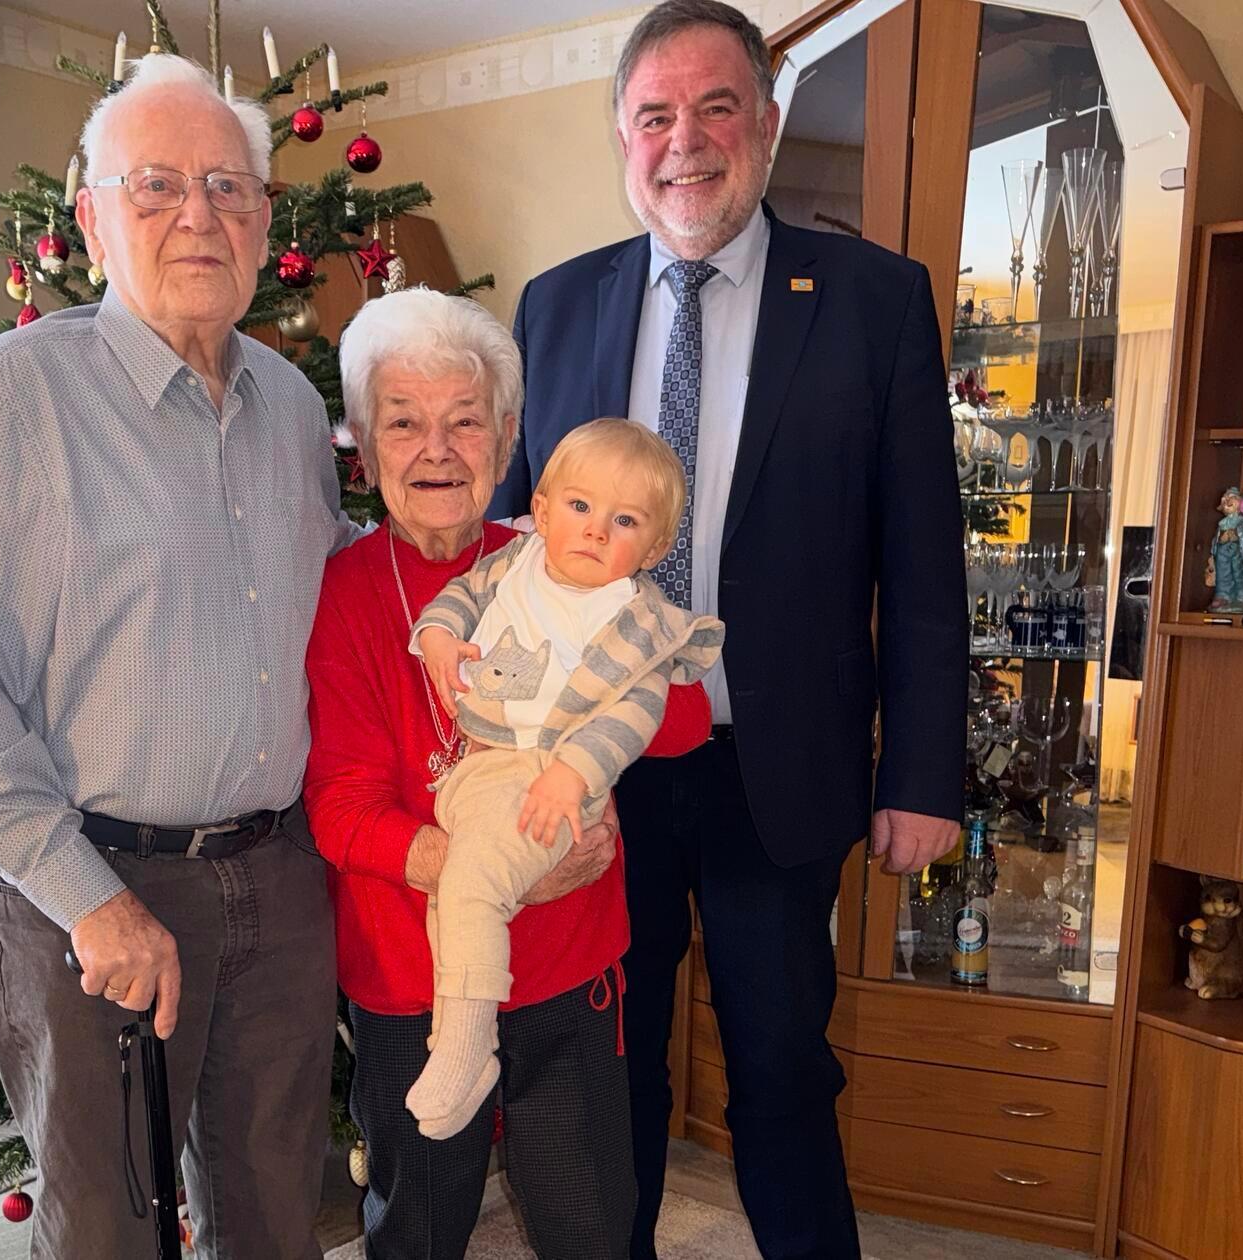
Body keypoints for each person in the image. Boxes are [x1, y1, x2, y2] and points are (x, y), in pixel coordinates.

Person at [493, 3, 967, 1256]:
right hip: (597, 781)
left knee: (779, 1072)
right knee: (610, 1070)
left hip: (780, 771)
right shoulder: (554, 306)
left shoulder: (872, 300)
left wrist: (921, 774)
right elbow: (514, 543)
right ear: (620, 139)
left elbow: (923, 564)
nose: (684, 143)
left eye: (714, 108)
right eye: (654, 116)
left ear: (763, 124)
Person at [0, 55, 352, 1259]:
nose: (196, 214)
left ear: (264, 218)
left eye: (227, 186)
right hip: (93, 894)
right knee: (108, 1233)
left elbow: (338, 615)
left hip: (280, 881)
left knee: (274, 1217)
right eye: (153, 185)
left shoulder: (294, 408)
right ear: (91, 216)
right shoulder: (18, 395)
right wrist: (92, 904)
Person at [304, 288, 711, 1259]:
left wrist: (614, 628)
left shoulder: (559, 558)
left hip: (568, 961)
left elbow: (684, 719)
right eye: (403, 423)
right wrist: (495, 865)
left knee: (587, 1222)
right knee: (420, 1225)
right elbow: (342, 812)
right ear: (362, 444)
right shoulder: (348, 594)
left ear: (508, 435)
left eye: (464, 420)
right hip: (409, 976)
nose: (436, 449)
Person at [405, 418, 723, 1136]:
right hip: (482, 768)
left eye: (625, 521)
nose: (594, 531)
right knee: (451, 901)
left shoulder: (639, 620)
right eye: (579, 508)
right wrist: (437, 637)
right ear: (542, 511)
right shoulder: (513, 564)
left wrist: (573, 776)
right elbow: (457, 598)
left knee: (473, 884)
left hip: (551, 780)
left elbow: (634, 716)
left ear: (657, 547)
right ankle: (457, 1046)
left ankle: (466, 1046)